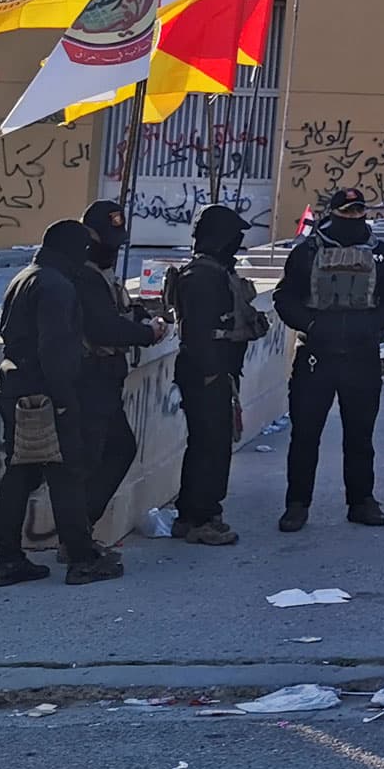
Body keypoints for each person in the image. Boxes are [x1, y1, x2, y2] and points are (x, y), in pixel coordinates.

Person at [0, 220, 120, 586]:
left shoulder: (27, 276)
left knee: (19, 474)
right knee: (66, 476)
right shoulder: (56, 285)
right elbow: (55, 351)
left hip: (14, 387)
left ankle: (9, 559)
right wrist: (63, 401)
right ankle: (81, 559)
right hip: (43, 394)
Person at [274, 187, 384, 532]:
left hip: (361, 356)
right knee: (305, 435)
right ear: (333, 213)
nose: (352, 218)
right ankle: (297, 505)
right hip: (316, 355)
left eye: (357, 211)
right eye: (345, 212)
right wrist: (312, 325)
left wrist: (374, 324)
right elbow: (285, 297)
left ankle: (362, 501)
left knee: (360, 435)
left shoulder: (380, 253)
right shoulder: (307, 252)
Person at [164, 206, 266, 547]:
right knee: (210, 447)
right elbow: (199, 333)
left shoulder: (212, 272)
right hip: (207, 374)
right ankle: (201, 517)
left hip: (216, 372)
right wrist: (211, 372)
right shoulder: (201, 277)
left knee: (209, 445)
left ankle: (194, 513)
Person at [76, 200, 168, 532]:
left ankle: (80, 530)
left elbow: (117, 311)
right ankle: (76, 534)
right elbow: (101, 327)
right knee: (96, 456)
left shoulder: (103, 273)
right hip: (88, 376)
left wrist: (142, 316)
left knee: (113, 450)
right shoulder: (83, 275)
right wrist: (146, 333)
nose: (113, 250)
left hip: (105, 377)